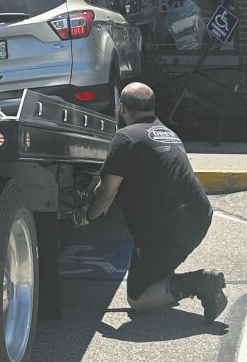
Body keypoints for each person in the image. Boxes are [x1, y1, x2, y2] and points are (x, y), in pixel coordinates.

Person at [81, 82, 227, 321]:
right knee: (158, 270)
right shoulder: (168, 132)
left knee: (139, 299)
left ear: (122, 108)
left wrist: (86, 216)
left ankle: (199, 282)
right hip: (199, 217)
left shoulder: (125, 137)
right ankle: (169, 280)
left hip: (167, 227)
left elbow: (107, 193)